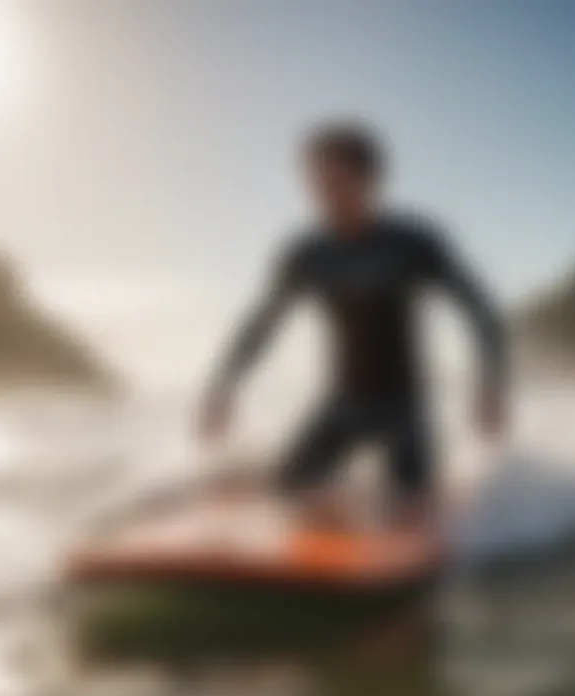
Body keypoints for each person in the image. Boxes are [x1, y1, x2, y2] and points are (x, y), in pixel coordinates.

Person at [196, 121, 508, 528]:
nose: (320, 190)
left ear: (370, 178)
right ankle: (330, 496)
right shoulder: (307, 252)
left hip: (404, 410)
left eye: (332, 177)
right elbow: (261, 324)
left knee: (408, 514)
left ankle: (411, 496)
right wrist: (224, 387)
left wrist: (490, 384)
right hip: (341, 404)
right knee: (285, 494)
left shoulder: (413, 242)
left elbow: (479, 309)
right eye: (313, 178)